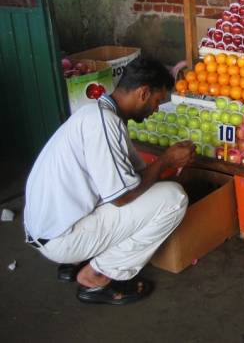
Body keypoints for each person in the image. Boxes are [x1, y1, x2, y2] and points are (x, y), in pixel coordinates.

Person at [24, 57, 195, 305]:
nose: (156, 109)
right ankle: (97, 275)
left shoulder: (96, 112)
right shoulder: (103, 124)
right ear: (143, 93)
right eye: (157, 101)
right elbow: (122, 197)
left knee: (148, 189)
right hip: (61, 238)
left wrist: (163, 165)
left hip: (46, 227)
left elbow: (133, 175)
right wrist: (167, 160)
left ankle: (78, 260)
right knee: (173, 199)